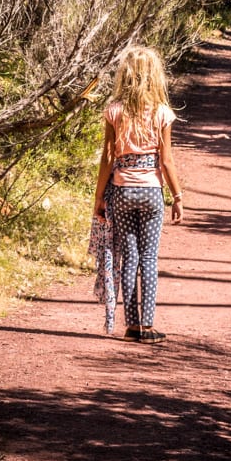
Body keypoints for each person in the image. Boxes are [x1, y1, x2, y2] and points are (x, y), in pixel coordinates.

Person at [93, 45, 183, 343]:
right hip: (151, 194)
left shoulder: (114, 111)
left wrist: (98, 198)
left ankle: (131, 327)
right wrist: (178, 196)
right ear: (154, 76)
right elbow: (166, 160)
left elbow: (107, 157)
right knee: (149, 259)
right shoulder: (162, 113)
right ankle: (148, 325)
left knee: (129, 257)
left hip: (121, 192)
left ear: (125, 75)